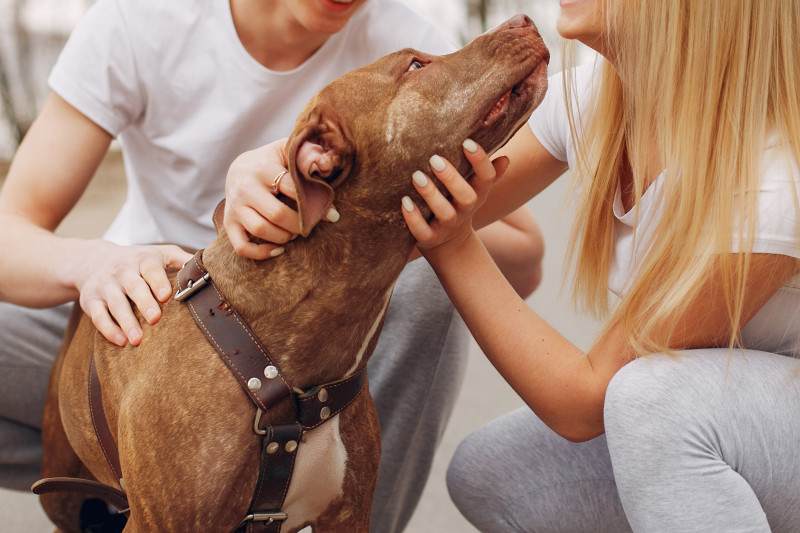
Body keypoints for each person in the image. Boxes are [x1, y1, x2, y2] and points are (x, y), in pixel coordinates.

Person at [0, 1, 545, 531]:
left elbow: (524, 263)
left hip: (318, 343)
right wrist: (93, 262)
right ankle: (166, 484)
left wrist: (384, 220)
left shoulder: (400, 40)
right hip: (136, 307)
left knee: (430, 273)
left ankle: (325, 493)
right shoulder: (140, 21)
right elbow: (10, 233)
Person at [396, 0, 800, 531]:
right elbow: (402, 216)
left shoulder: (773, 179)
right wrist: (264, 172)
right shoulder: (598, 97)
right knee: (492, 471)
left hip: (762, 437)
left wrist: (453, 245)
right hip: (723, 433)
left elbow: (583, 403)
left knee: (650, 401)